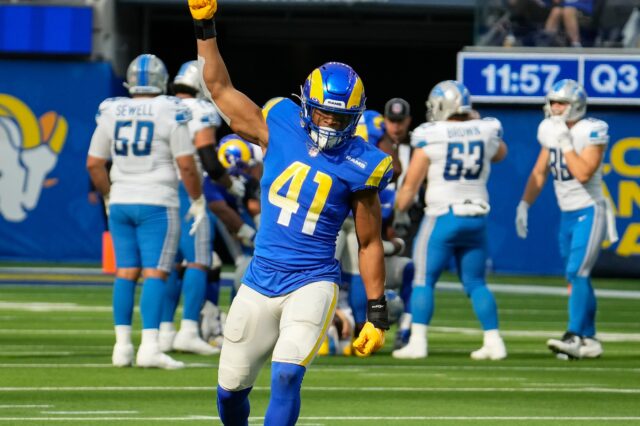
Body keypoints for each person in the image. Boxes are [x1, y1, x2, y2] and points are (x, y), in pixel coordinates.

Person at [188, 1, 393, 424]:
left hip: (312, 281)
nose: (330, 126)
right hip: (260, 279)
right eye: (323, 114)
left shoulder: (363, 162)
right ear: (305, 105)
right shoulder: (278, 122)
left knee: (285, 377)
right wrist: (204, 26)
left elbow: (369, 241)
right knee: (229, 393)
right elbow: (221, 90)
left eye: (340, 119)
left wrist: (377, 312)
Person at [86, 53, 207, 369]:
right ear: (161, 80)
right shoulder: (170, 109)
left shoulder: (112, 110)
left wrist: (110, 196)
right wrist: (197, 200)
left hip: (122, 199)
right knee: (155, 271)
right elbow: (186, 164)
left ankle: (122, 346)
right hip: (158, 200)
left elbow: (94, 163)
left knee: (125, 272)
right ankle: (150, 346)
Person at [392, 80, 508, 361]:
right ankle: (494, 341)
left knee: (423, 279)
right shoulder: (486, 130)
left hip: (443, 216)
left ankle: (418, 340)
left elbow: (410, 184)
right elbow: (501, 154)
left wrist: (398, 209)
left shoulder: (431, 134)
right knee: (476, 282)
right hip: (477, 216)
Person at [515, 79, 615, 360]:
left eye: (562, 103)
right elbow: (539, 170)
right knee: (575, 276)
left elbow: (583, 173)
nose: (556, 108)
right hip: (567, 213)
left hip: (589, 210)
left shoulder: (591, 129)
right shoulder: (550, 129)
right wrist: (525, 203)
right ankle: (590, 338)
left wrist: (564, 143)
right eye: (554, 102)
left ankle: (573, 336)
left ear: (576, 106)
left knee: (578, 272)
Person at [158, 60, 234, 356]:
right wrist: (231, 186)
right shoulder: (201, 110)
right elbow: (209, 159)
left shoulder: (162, 106)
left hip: (161, 190)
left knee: (169, 264)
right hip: (189, 190)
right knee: (199, 261)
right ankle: (189, 328)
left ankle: (164, 330)